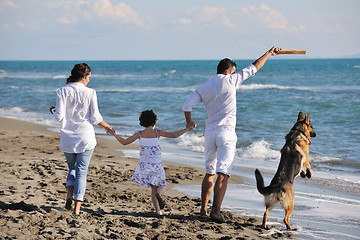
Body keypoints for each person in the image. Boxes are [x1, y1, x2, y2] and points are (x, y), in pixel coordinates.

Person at [182, 46, 281, 223]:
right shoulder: (231, 80)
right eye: (233, 71)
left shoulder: (204, 87)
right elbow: (254, 67)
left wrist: (189, 122)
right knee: (223, 173)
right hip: (226, 134)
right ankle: (216, 211)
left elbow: (186, 106)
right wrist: (269, 53)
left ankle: (203, 209)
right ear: (228, 72)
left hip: (210, 133)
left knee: (209, 172)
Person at [49, 63, 112, 215]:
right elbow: (96, 118)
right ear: (83, 77)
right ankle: (77, 209)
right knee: (81, 172)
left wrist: (53, 110)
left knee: (72, 169)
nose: (89, 81)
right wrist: (108, 126)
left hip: (67, 138)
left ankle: (69, 196)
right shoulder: (90, 92)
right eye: (89, 77)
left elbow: (59, 117)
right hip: (85, 137)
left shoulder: (61, 91)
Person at [108, 109, 194, 215]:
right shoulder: (157, 132)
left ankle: (158, 211)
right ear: (155, 122)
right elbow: (174, 135)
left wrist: (114, 134)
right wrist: (187, 129)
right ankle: (159, 194)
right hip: (157, 165)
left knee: (153, 188)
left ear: (142, 122)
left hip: (145, 165)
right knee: (162, 185)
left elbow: (125, 142)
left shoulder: (139, 134)